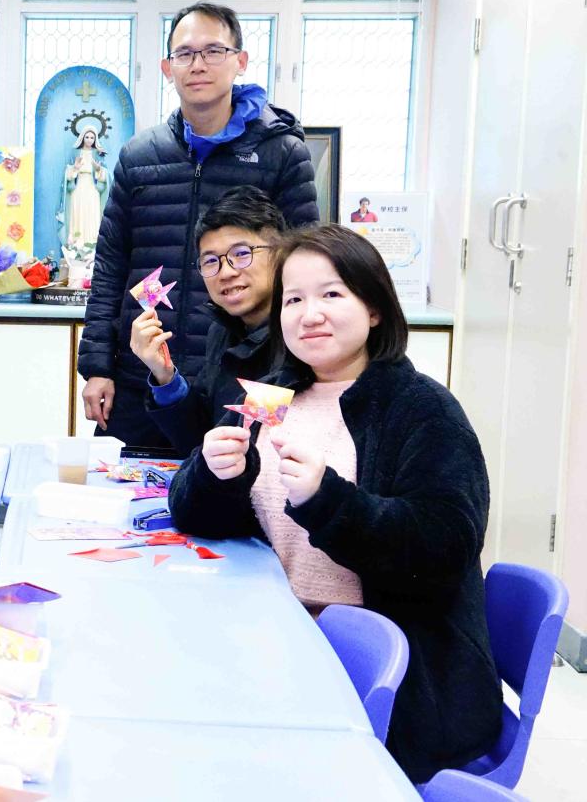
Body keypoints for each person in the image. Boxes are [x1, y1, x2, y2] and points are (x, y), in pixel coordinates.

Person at [168, 225, 501, 782]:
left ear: (373, 308)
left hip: (386, 676)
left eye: (331, 294)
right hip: (273, 639)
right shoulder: (274, 393)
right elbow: (193, 512)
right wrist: (213, 474)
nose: (310, 314)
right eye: (293, 299)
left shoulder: (421, 408)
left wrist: (329, 501)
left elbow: (444, 545)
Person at [79, 1, 319, 448]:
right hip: (143, 373)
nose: (198, 64)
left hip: (249, 376)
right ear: (167, 68)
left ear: (240, 61)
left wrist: (292, 374)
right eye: (185, 54)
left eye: (213, 51)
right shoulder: (139, 156)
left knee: (245, 483)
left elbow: (305, 269)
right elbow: (110, 266)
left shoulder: (282, 153)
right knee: (125, 485)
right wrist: (96, 367)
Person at [130, 185, 286, 454]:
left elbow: (259, 448)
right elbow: (202, 441)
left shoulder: (298, 336)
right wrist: (165, 376)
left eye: (241, 254)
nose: (225, 273)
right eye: (211, 261)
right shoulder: (221, 331)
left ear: (280, 253)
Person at [62, 127, 108, 252]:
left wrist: (98, 169)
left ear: (95, 139)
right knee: (78, 212)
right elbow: (67, 174)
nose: (89, 140)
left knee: (92, 213)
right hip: (79, 188)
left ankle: (92, 244)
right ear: (82, 138)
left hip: (92, 188)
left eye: (92, 137)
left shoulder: (98, 153)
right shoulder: (76, 153)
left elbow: (106, 175)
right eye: (87, 137)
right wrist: (75, 168)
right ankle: (76, 244)